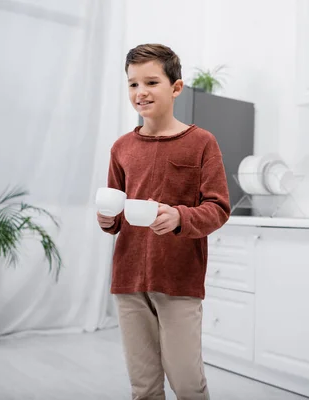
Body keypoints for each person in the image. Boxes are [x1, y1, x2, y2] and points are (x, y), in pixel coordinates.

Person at [97, 43, 230, 400]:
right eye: (132, 84)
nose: (140, 92)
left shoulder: (201, 143)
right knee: (143, 385)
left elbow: (218, 208)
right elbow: (115, 213)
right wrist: (107, 219)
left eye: (151, 82)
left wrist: (179, 217)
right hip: (128, 279)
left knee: (187, 382)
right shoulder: (121, 148)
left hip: (179, 280)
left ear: (176, 87)